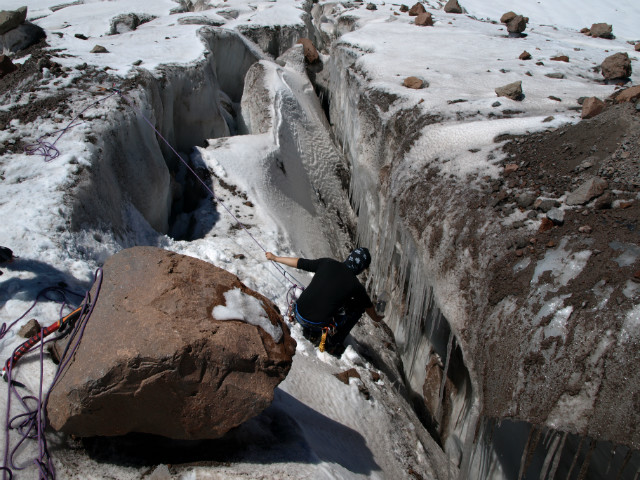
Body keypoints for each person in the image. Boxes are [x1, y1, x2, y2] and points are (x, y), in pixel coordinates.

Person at [265, 247, 384, 354]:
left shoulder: (327, 263)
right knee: (358, 307)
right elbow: (369, 308)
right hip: (317, 325)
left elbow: (300, 263)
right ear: (362, 268)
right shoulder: (356, 286)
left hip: (298, 313)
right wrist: (377, 318)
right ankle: (333, 342)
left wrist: (275, 258)